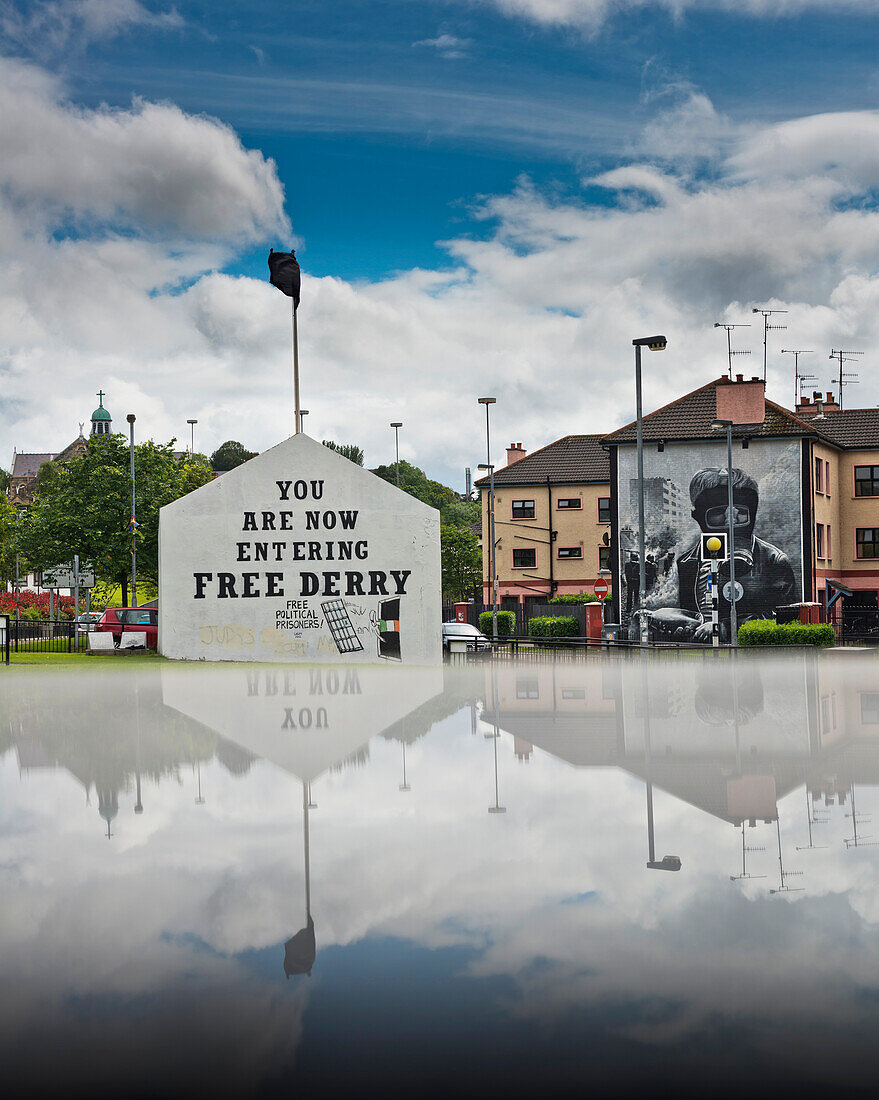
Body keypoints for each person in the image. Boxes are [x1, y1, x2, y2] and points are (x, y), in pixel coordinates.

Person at [648, 467, 797, 643]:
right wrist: (685, 627)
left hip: (747, 659)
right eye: (719, 512)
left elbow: (786, 616)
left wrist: (724, 627)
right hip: (703, 660)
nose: (731, 521)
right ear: (698, 516)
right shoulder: (687, 562)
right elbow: (691, 612)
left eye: (740, 512)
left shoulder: (773, 561)